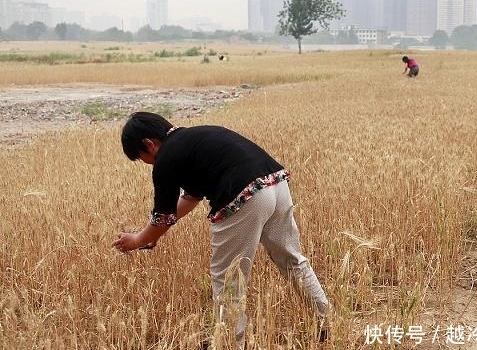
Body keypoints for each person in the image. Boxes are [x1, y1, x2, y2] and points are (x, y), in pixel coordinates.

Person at [113, 112, 329, 348]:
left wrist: (137, 240)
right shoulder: (196, 137)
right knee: (292, 260)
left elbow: (162, 218)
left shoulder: (166, 158)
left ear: (149, 144)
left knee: (228, 278)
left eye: (144, 158)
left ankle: (231, 343)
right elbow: (191, 197)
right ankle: (326, 321)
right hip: (277, 186)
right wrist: (148, 235)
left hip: (244, 196)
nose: (150, 163)